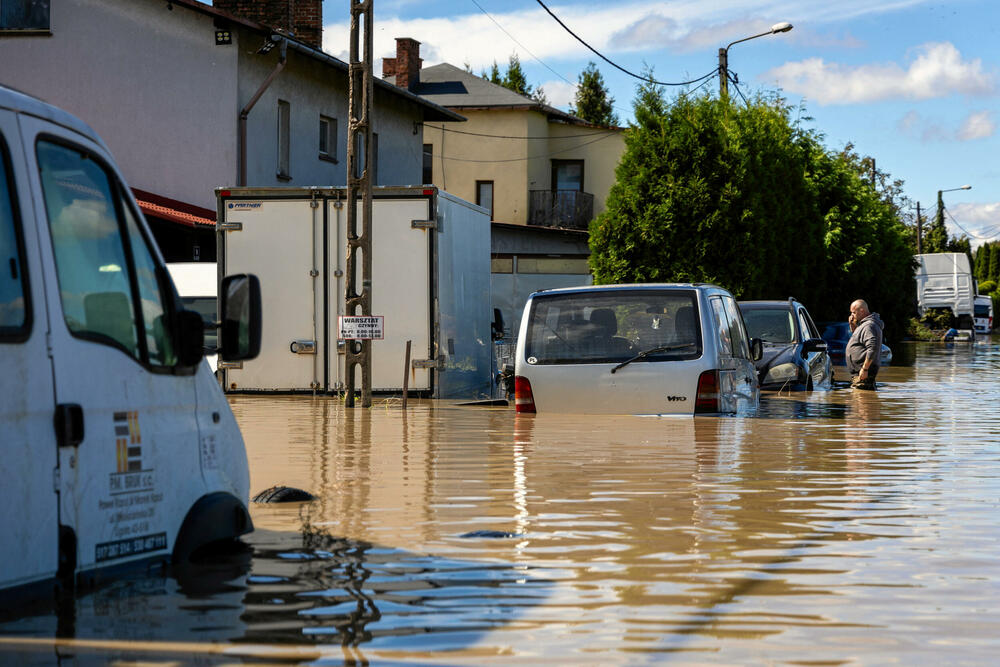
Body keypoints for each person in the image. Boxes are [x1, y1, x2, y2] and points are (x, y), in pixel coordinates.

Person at [846, 299, 884, 390]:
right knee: (860, 401)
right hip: (860, 373)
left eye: (854, 312)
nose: (852, 315)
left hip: (863, 374)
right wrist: (852, 325)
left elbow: (872, 347)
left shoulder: (869, 326)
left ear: (862, 311)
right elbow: (858, 340)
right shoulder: (865, 325)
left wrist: (865, 369)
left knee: (861, 401)